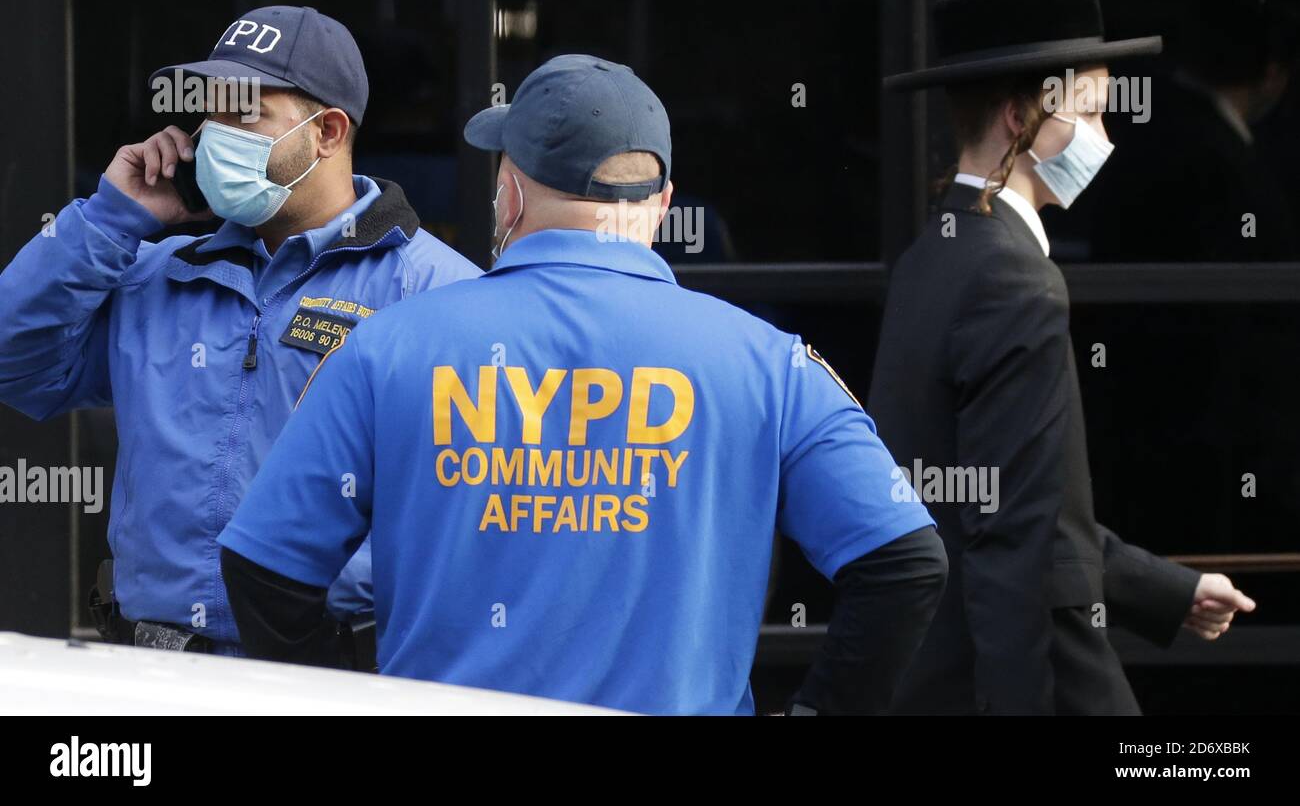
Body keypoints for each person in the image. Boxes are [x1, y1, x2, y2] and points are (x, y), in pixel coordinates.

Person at [218, 53, 948, 715]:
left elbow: (263, 564)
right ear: (662, 206)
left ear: (508, 195)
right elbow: (904, 563)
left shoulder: (388, 346)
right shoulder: (769, 363)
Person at [0, 5, 480, 659]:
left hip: (324, 676)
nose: (213, 134)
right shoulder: (155, 272)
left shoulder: (434, 290)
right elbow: (14, 360)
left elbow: (473, 509)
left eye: (244, 112)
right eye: (210, 112)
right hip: (151, 671)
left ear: (328, 131)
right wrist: (110, 219)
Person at [871, 0, 1256, 715]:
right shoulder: (1015, 278)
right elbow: (1013, 539)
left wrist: (1164, 588)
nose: (1104, 137)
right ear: (1021, 116)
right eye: (1087, 111)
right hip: (1042, 678)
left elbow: (1015, 500)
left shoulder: (936, 255)